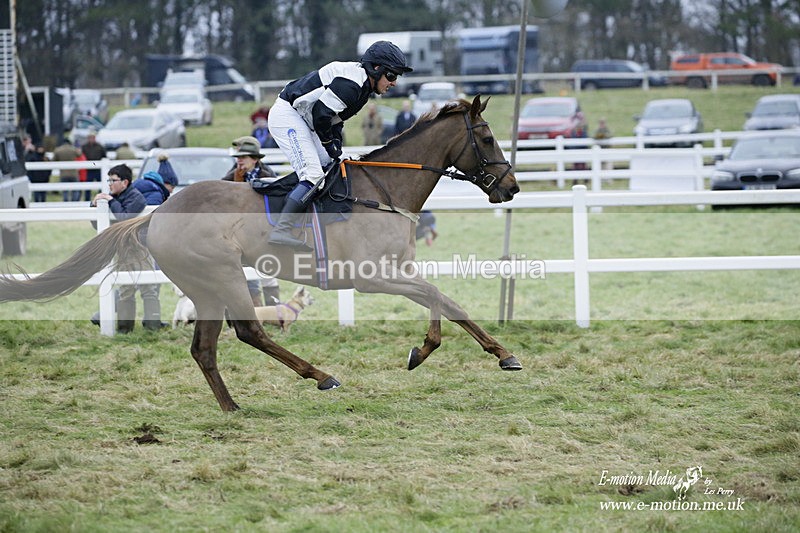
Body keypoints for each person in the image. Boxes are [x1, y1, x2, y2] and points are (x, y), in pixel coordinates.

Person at [267, 40, 412, 248]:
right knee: (313, 175)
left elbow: (334, 120)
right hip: (288, 115)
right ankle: (282, 229)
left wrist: (334, 147)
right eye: (391, 75)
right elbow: (320, 115)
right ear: (376, 68)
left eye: (396, 77)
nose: (394, 82)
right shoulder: (352, 84)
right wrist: (329, 144)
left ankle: (316, 223)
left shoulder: (363, 87)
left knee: (331, 168)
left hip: (304, 119)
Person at [89, 164, 151, 332]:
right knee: (125, 289)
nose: (109, 184)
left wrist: (111, 201)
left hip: (140, 248)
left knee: (148, 287)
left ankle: (153, 326)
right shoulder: (114, 198)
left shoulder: (136, 198)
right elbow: (97, 225)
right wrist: (94, 205)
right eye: (108, 179)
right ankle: (125, 329)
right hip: (122, 248)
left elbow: (124, 218)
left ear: (125, 182)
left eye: (113, 180)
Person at [222, 136, 279, 307]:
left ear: (254, 159)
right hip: (236, 234)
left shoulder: (268, 177)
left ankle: (273, 311)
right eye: (238, 158)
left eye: (243, 157)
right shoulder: (229, 178)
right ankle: (254, 308)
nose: (239, 161)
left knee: (268, 271)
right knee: (242, 273)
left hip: (262, 232)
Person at [81, 130, 107, 201]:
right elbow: (82, 157)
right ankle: (87, 201)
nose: (91, 139)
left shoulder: (100, 147)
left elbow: (104, 156)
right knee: (88, 187)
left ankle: (101, 199)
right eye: (90, 137)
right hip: (89, 169)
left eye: (93, 137)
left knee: (101, 186)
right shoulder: (84, 147)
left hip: (98, 169)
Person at [23, 136, 50, 203]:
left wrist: (47, 176)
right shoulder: (32, 157)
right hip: (35, 179)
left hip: (44, 179)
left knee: (43, 196)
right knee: (36, 197)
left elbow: (49, 169)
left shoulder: (46, 158)